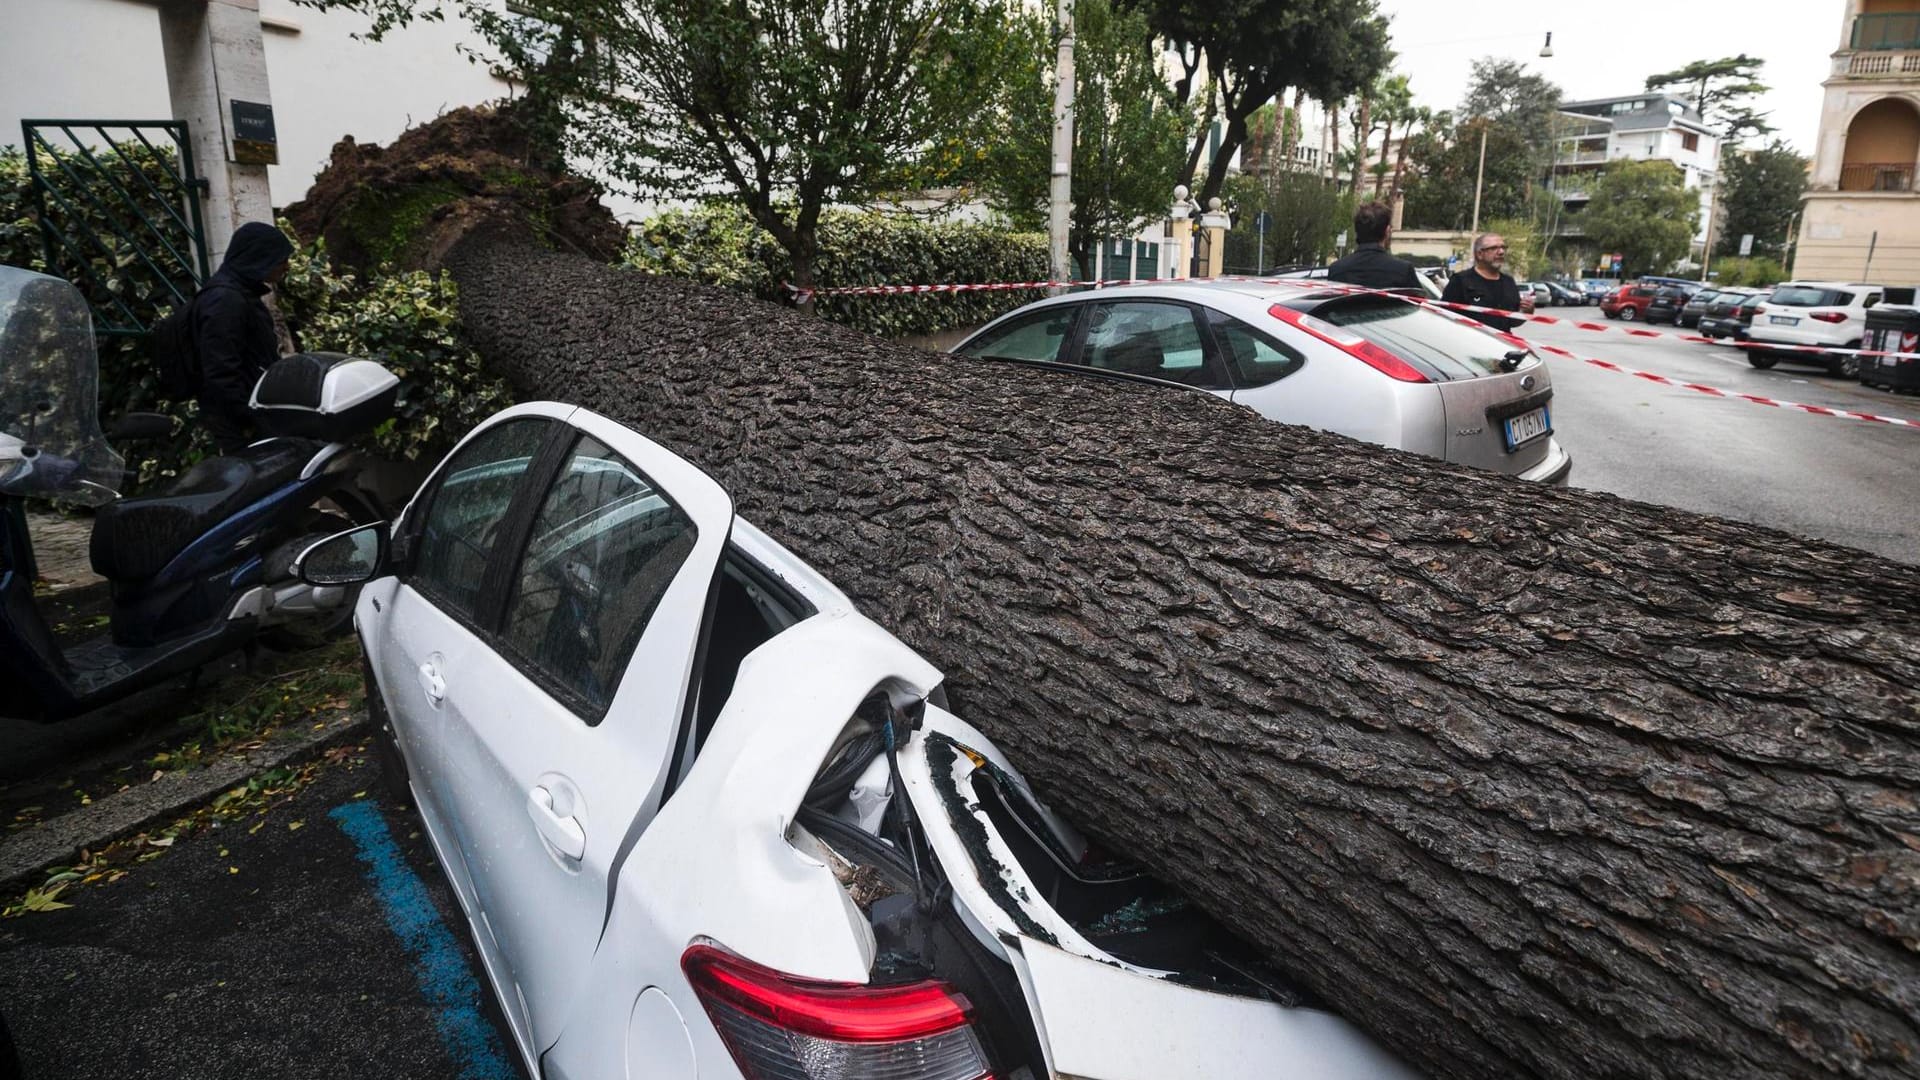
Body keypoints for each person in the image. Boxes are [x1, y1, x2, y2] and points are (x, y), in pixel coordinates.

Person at [194, 222, 294, 452]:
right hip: (239, 426)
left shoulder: (241, 293)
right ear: (260, 258)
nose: (286, 267)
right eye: (281, 260)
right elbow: (221, 370)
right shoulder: (225, 301)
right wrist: (248, 417)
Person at [1442, 233, 1533, 331]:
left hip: (1500, 343)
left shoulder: (1508, 282)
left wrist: (1526, 312)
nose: (1501, 252)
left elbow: (1512, 322)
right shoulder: (1460, 280)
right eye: (1494, 248)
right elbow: (1444, 317)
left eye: (1503, 247)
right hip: (1468, 343)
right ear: (1480, 254)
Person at [1326, 200, 1419, 291]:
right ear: (1387, 231)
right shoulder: (1403, 270)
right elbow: (1417, 303)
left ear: (1357, 231)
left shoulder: (1336, 270)